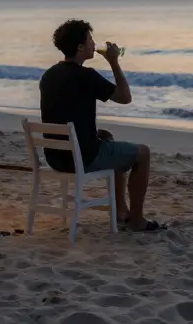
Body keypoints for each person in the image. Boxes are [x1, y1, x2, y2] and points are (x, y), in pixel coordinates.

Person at [39, 19, 164, 231]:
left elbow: (62, 113)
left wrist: (91, 133)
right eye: (90, 39)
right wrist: (114, 62)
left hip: (56, 157)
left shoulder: (49, 75)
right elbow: (125, 97)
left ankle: (121, 211)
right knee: (143, 154)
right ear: (80, 47)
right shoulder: (86, 76)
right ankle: (137, 220)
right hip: (83, 158)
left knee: (107, 138)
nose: (93, 44)